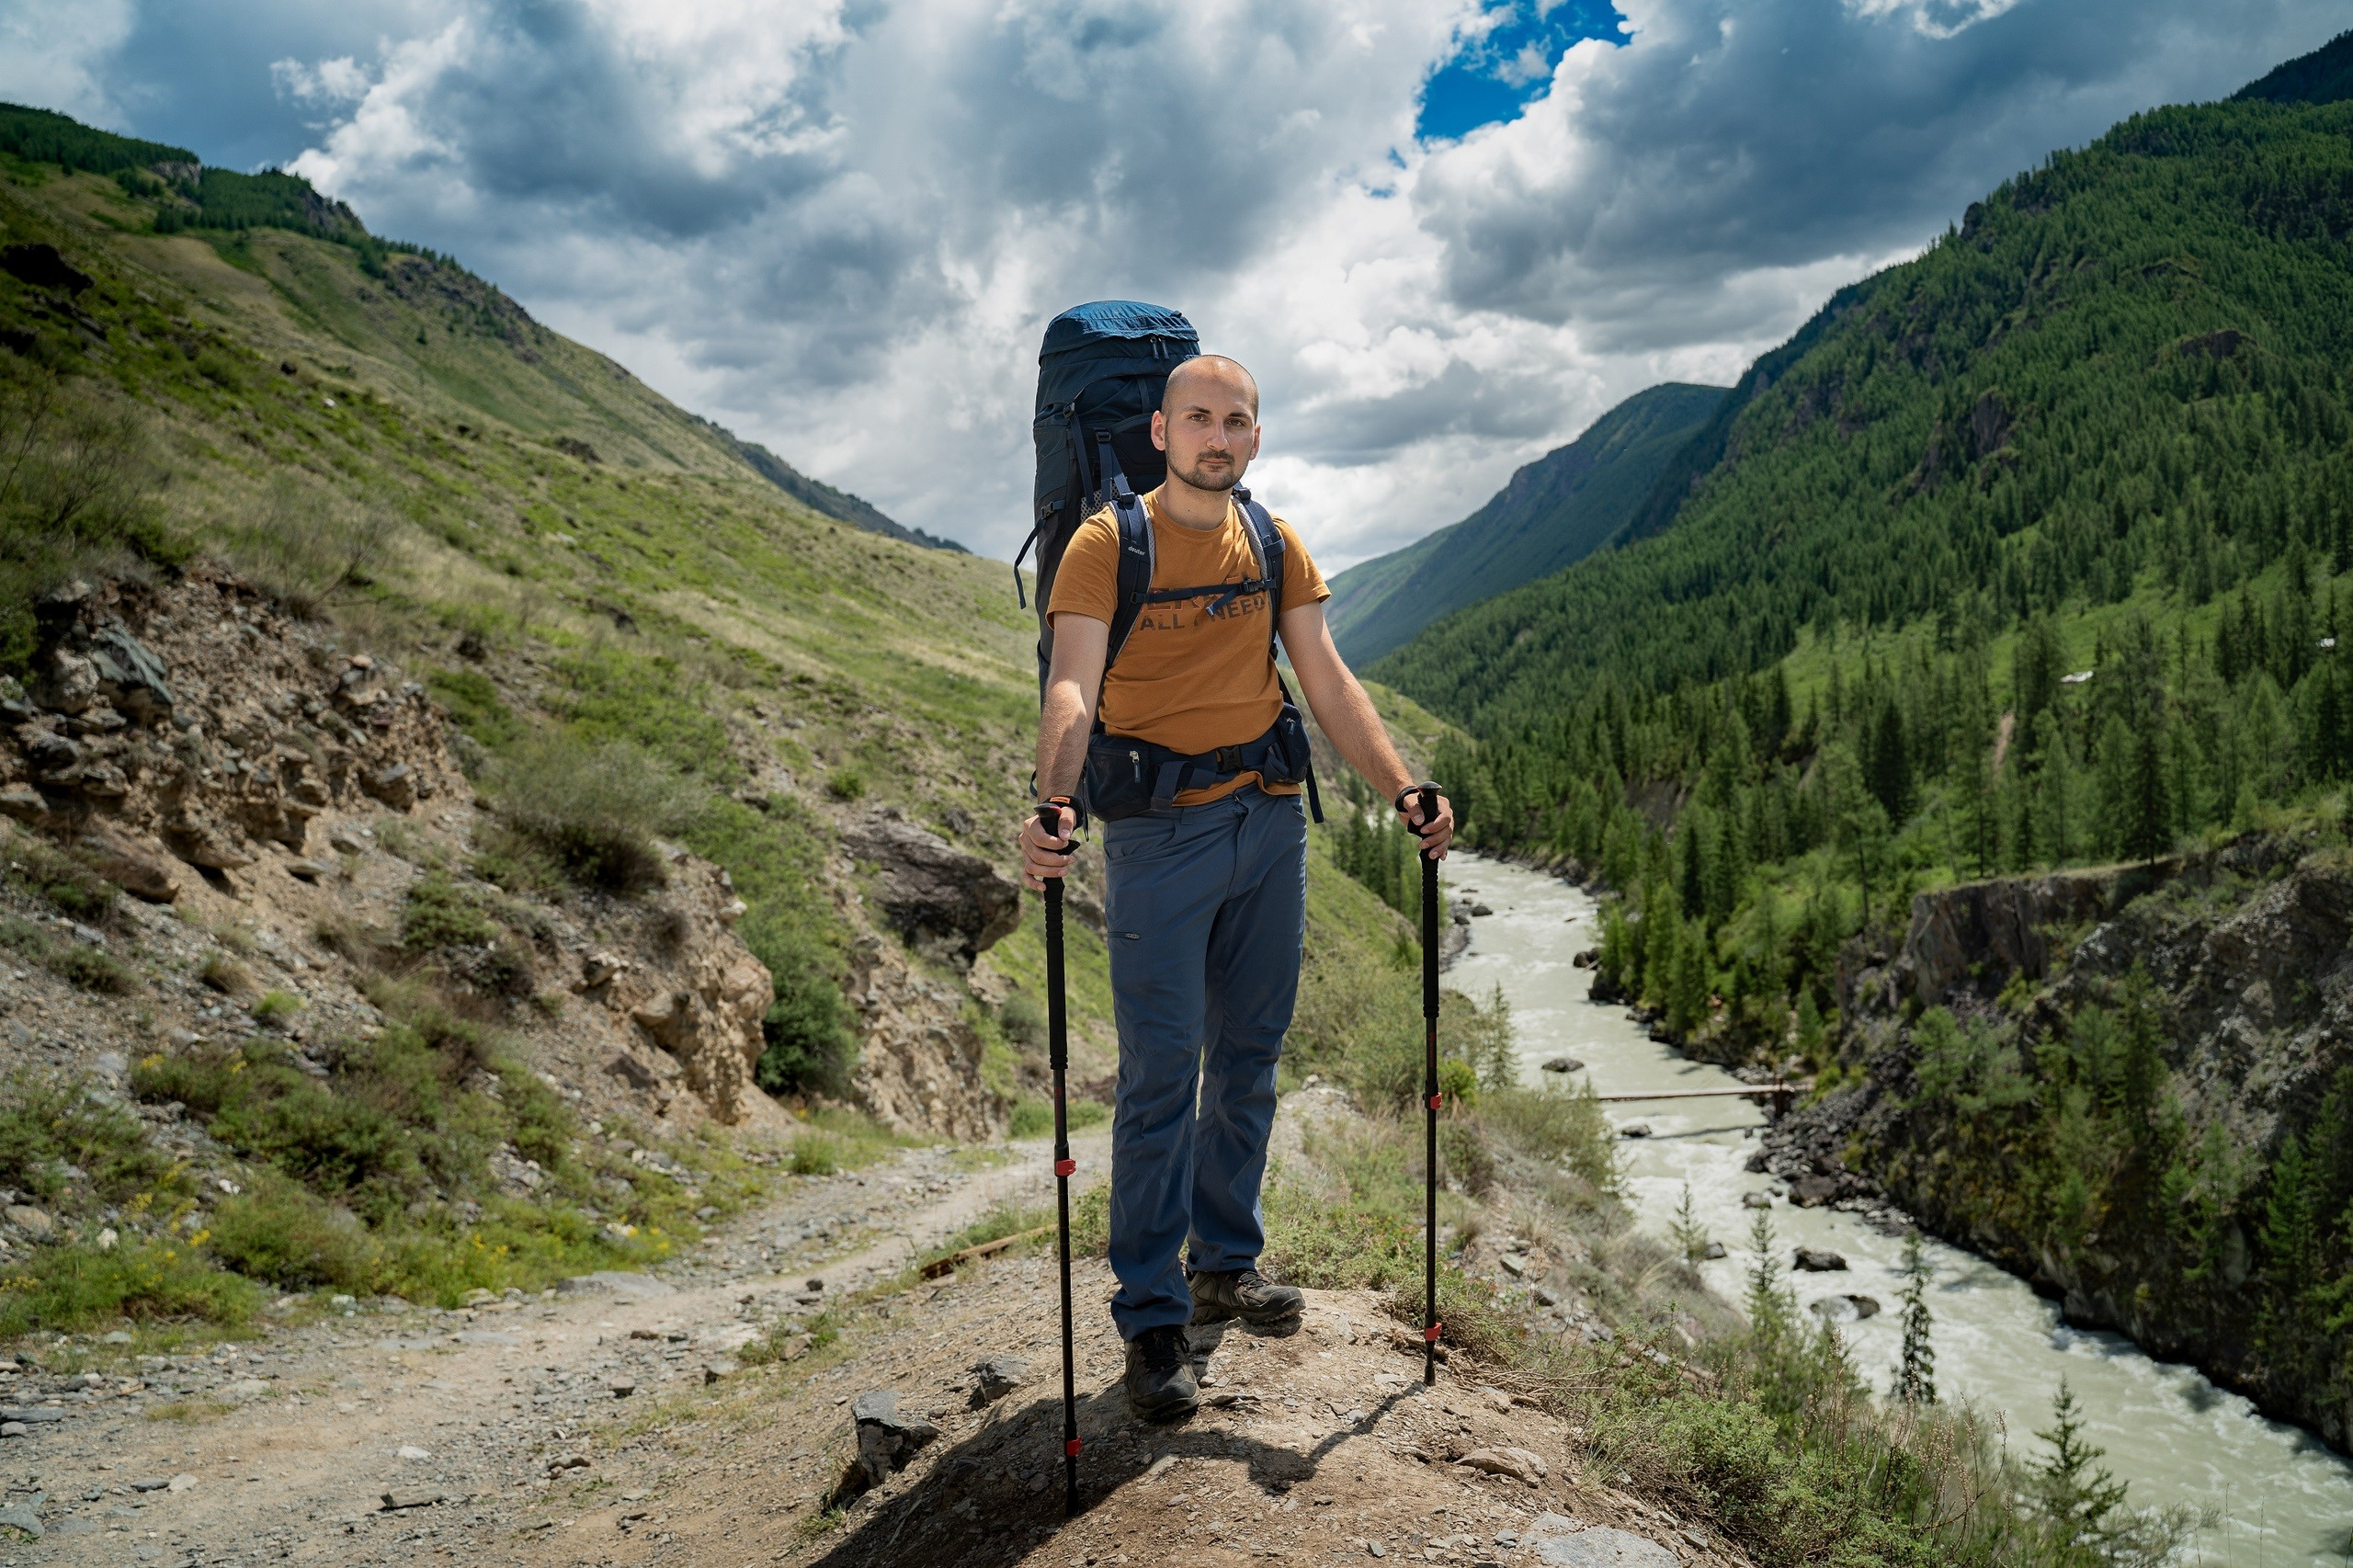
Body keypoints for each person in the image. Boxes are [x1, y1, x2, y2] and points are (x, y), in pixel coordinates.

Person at [1017, 352, 1453, 1421]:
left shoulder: (1271, 539)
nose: (1218, 435)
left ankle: (1225, 1260)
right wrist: (1052, 801)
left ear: (1255, 437)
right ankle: (1152, 1314)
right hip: (1157, 838)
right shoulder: (1103, 544)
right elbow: (1073, 680)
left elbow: (1327, 677)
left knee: (1250, 1053)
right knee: (1164, 1071)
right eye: (1199, 417)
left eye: (1237, 420)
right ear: (1159, 432)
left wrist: (1403, 788)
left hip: (1269, 824)